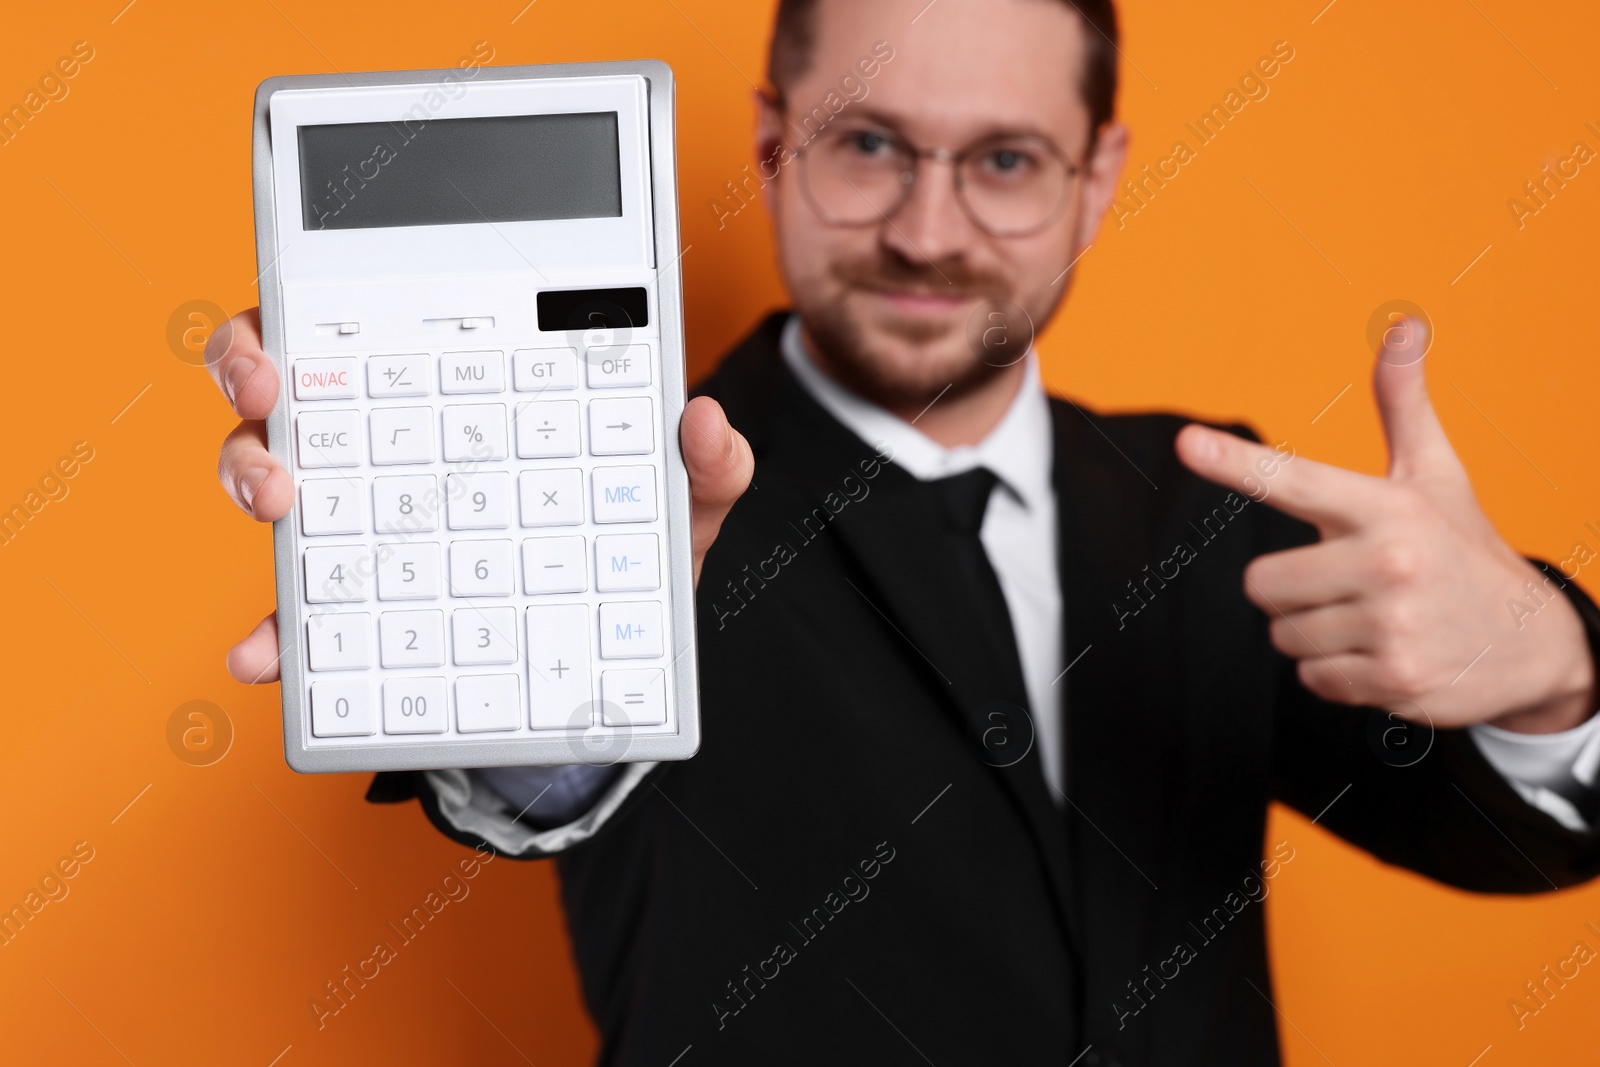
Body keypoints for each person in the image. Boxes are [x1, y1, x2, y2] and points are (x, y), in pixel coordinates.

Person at [207, 0, 1600, 1063]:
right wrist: (525, 655)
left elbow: (1513, 846)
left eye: (1004, 159)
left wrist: (1547, 673)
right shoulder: (620, 491)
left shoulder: (1215, 512)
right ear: (771, 145)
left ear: (1098, 176)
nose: (930, 232)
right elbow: (543, 788)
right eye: (869, 145)